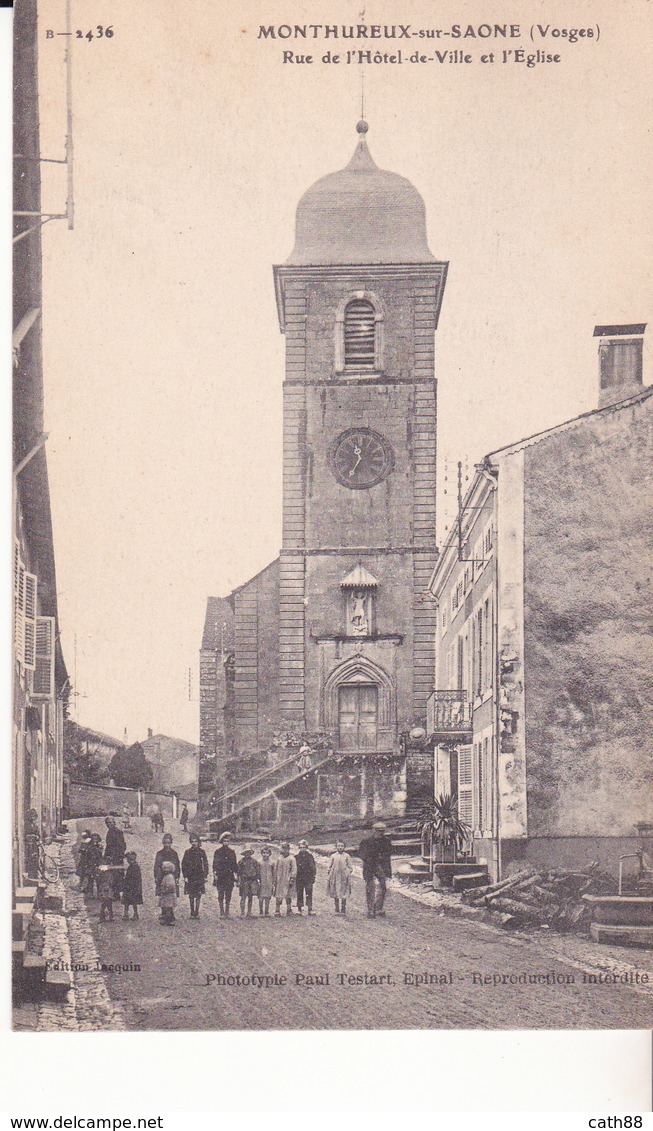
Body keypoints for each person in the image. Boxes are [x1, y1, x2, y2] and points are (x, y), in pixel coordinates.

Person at [358, 820, 392, 919]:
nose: (380, 833)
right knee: (370, 887)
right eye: (378, 831)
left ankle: (378, 908)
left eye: (382, 831)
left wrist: (386, 869)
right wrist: (369, 860)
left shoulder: (386, 841)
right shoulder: (366, 842)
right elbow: (361, 854)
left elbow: (388, 855)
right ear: (373, 831)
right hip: (369, 866)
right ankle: (371, 909)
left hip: (380, 866)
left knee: (383, 886)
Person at [181, 833, 209, 919]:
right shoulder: (188, 852)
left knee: (198, 895)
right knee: (191, 895)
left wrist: (205, 875)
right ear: (190, 842)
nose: (194, 843)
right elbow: (184, 864)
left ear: (198, 842)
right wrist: (185, 876)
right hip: (190, 876)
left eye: (195, 841)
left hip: (199, 876)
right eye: (192, 841)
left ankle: (197, 912)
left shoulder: (202, 852)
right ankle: (192, 912)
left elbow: (205, 864)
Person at [212, 831, 238, 917]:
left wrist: (236, 875)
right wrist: (215, 874)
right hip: (221, 875)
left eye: (228, 841)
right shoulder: (218, 852)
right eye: (224, 841)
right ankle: (221, 911)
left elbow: (234, 864)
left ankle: (227, 911)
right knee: (220, 893)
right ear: (222, 841)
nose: (226, 842)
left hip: (229, 876)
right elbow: (215, 864)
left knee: (228, 893)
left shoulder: (232, 852)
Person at [327, 840, 353, 915]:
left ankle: (343, 909)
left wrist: (347, 873)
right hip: (335, 877)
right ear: (336, 847)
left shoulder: (347, 856)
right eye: (339, 846)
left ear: (344, 847)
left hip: (344, 878)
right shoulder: (333, 856)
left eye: (342, 846)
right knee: (336, 892)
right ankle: (337, 909)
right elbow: (329, 867)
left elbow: (350, 867)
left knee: (344, 892)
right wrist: (330, 873)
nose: (340, 847)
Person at [104, 815, 126, 898]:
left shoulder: (118, 832)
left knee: (118, 874)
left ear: (114, 822)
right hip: (111, 856)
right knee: (112, 874)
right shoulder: (109, 832)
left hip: (117, 856)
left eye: (111, 822)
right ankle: (114, 892)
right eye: (108, 823)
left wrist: (117, 854)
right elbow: (108, 845)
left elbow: (122, 845)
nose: (110, 824)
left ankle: (117, 894)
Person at [273, 841, 296, 916]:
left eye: (285, 849)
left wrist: (292, 878)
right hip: (280, 879)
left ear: (288, 849)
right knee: (278, 895)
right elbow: (275, 868)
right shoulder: (279, 858)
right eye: (282, 849)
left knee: (288, 895)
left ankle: (289, 910)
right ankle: (277, 910)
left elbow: (294, 869)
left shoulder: (292, 859)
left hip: (288, 879)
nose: (283, 851)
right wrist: (275, 878)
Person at [238, 846, 261, 918]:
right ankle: (242, 912)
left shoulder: (254, 861)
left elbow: (257, 871)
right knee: (243, 896)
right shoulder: (241, 862)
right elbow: (238, 872)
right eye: (246, 852)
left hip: (252, 880)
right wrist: (238, 881)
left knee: (250, 897)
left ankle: (249, 912)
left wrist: (258, 880)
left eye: (248, 852)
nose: (247, 854)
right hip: (244, 881)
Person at [295, 839, 317, 915]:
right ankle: (299, 909)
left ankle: (310, 909)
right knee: (299, 893)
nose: (302, 849)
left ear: (306, 848)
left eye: (304, 847)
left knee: (309, 893)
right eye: (301, 847)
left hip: (308, 878)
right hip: (299, 878)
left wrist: (313, 877)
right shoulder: (296, 857)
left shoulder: (310, 857)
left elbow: (313, 868)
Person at [122, 851, 143, 920]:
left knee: (130, 901)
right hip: (131, 887)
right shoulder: (133, 866)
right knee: (130, 901)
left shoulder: (134, 867)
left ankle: (132, 914)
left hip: (132, 887)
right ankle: (130, 914)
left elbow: (135, 878)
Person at [158, 860, 177, 925]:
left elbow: (170, 886)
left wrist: (165, 891)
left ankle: (169, 920)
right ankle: (167, 919)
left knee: (168, 908)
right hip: (166, 895)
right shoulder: (167, 876)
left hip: (168, 895)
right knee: (166, 907)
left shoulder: (169, 877)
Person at [258, 845, 274, 917]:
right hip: (261, 882)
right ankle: (261, 911)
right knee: (261, 898)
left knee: (268, 897)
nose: (265, 854)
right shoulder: (259, 862)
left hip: (269, 881)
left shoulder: (272, 862)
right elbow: (257, 872)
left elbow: (274, 872)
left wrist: (273, 881)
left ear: (269, 854)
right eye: (264, 853)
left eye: (267, 853)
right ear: (261, 853)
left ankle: (266, 911)